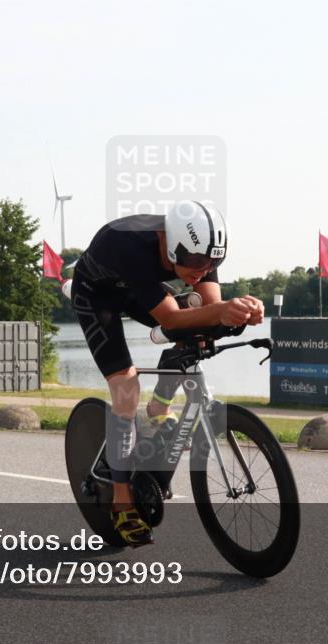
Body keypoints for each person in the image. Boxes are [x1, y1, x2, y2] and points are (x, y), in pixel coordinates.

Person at [71, 200, 264, 547]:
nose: (202, 270)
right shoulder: (130, 245)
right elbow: (171, 320)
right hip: (96, 295)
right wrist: (222, 311)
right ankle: (122, 501)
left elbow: (208, 309)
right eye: (193, 262)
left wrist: (243, 313)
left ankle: (158, 409)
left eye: (213, 263)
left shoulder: (201, 249)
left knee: (196, 312)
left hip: (134, 288)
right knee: (126, 385)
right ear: (169, 242)